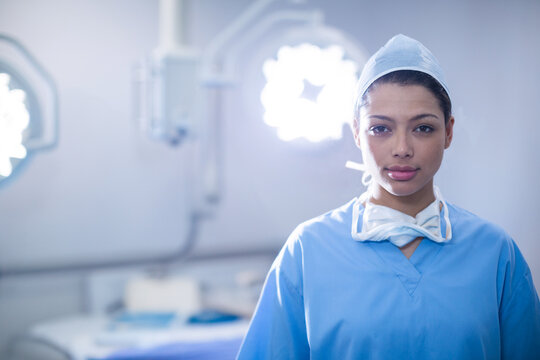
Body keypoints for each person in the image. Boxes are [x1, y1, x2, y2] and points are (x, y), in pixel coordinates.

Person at [236, 34, 540, 359]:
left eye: (422, 128)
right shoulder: (308, 250)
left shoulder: (494, 252)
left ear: (449, 132)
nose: (402, 149)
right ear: (356, 132)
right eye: (380, 129)